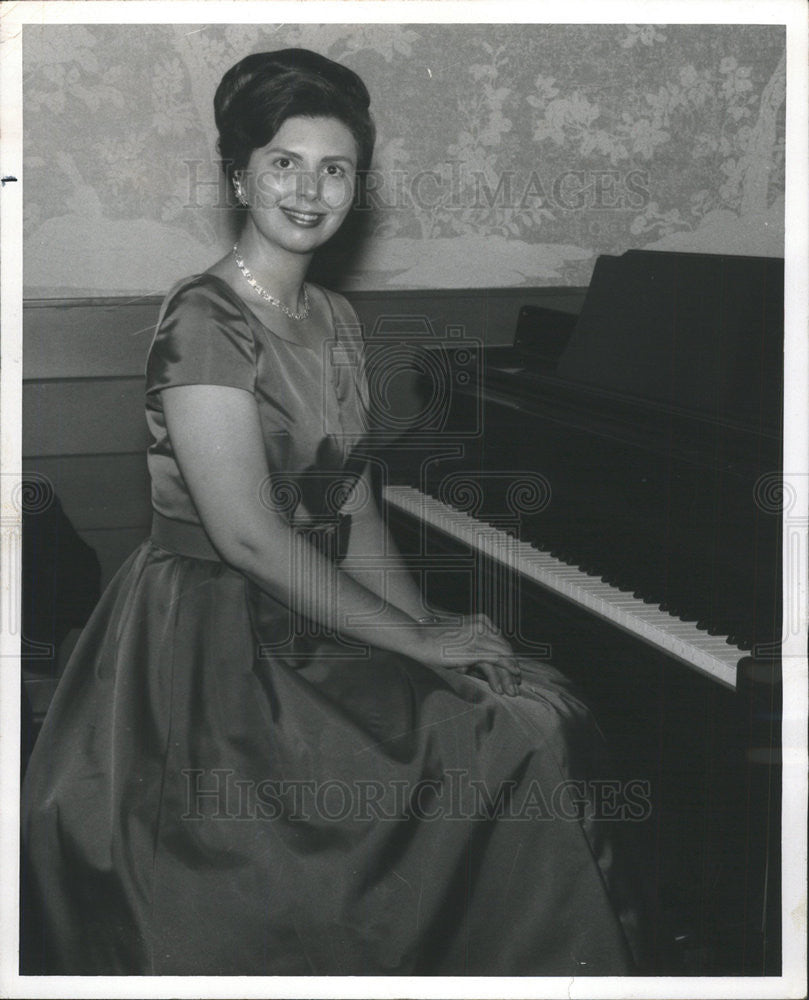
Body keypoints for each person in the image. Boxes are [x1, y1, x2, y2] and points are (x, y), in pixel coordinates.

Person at [21, 48, 641, 976]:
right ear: (239, 174)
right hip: (210, 640)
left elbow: (348, 498)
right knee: (489, 744)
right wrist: (414, 643)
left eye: (336, 168)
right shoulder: (204, 318)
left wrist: (429, 623)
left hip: (311, 614)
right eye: (284, 162)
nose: (310, 190)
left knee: (526, 704)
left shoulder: (336, 319)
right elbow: (245, 534)